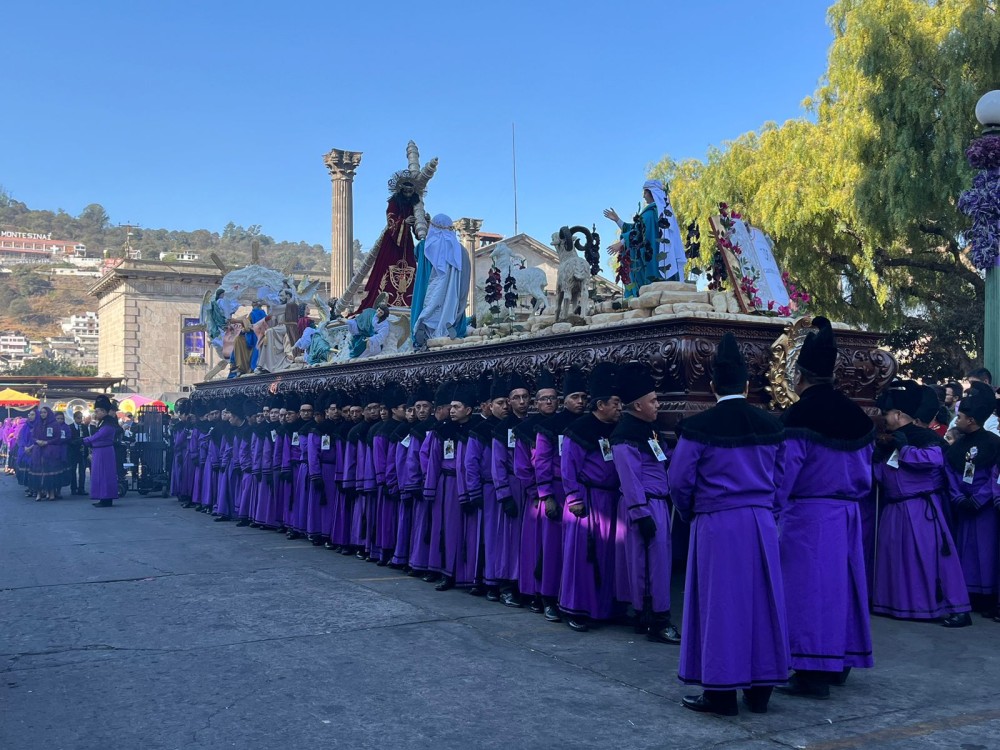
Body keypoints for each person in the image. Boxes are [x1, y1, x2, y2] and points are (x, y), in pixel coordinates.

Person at [668, 333, 789, 717]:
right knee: (763, 602)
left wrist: (691, 513)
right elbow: (783, 478)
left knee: (719, 605)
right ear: (748, 385)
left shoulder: (699, 426)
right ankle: (760, 690)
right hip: (761, 522)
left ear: (712, 385)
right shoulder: (770, 425)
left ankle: (721, 692)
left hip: (717, 524)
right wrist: (769, 510)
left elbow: (679, 479)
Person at [775, 317, 875, 699]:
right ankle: (839, 663)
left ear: (800, 374)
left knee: (809, 591)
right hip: (849, 515)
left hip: (809, 517)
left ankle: (813, 671)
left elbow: (785, 472)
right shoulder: (858, 416)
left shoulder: (800, 415)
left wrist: (772, 510)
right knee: (843, 588)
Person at [872, 379, 971, 627]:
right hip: (894, 508)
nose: (883, 418)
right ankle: (899, 605)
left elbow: (933, 460)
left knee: (933, 558)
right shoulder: (888, 438)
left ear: (898, 414)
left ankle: (956, 608)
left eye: (886, 414)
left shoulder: (923, 436)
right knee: (898, 560)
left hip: (921, 509)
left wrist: (905, 449)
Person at [611, 362, 682, 645]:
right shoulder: (625, 435)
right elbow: (629, 478)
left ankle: (647, 616)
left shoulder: (649, 430)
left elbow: (664, 460)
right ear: (638, 406)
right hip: (643, 507)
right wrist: (640, 513)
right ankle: (656, 620)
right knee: (648, 566)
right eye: (653, 401)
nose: (658, 405)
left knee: (657, 564)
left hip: (657, 504)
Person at [558, 363, 622, 632]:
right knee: (583, 556)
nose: (620, 408)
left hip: (611, 500)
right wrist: (574, 498)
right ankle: (578, 608)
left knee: (609, 556)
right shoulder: (580, 429)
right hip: (586, 499)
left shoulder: (619, 429)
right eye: (616, 403)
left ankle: (606, 609)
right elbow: (568, 466)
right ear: (600, 405)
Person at [533, 367, 588, 622]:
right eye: (575, 397)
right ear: (564, 399)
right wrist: (546, 494)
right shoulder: (549, 426)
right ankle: (548, 598)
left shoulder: (587, 424)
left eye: (583, 398)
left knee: (576, 550)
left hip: (580, 491)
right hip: (556, 488)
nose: (580, 402)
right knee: (553, 547)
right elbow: (542, 461)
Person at [944, 386, 1000, 618]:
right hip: (964, 507)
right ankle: (969, 595)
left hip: (985, 509)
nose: (956, 420)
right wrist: (957, 496)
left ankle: (988, 597)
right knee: (965, 552)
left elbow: (996, 474)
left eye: (960, 417)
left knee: (988, 553)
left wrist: (981, 498)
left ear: (972, 420)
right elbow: (949, 472)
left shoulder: (995, 443)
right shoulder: (957, 446)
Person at [603, 179, 686, 296]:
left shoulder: (650, 213)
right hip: (661, 257)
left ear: (651, 193)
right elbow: (636, 229)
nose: (643, 196)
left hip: (652, 258)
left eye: (645, 193)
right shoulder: (661, 212)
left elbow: (637, 232)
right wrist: (618, 220)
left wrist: (621, 243)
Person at [411, 214, 471, 349]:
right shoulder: (461, 250)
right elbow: (466, 276)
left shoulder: (425, 246)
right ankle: (450, 324)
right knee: (452, 303)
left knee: (429, 305)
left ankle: (424, 327)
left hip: (431, 291)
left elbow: (414, 254)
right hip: (452, 294)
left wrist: (419, 232)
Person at [85, 396, 121, 508]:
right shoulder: (103, 422)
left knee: (105, 475)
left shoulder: (108, 424)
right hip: (101, 451)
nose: (95, 413)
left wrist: (84, 440)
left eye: (97, 411)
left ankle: (106, 498)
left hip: (104, 452)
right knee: (100, 475)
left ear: (103, 411)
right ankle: (103, 497)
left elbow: (98, 436)